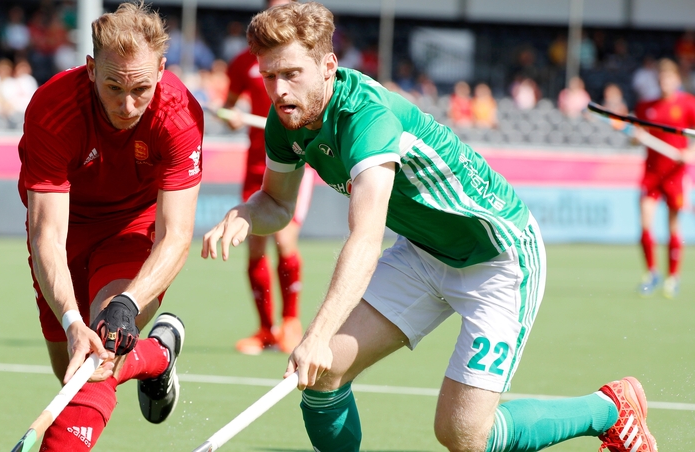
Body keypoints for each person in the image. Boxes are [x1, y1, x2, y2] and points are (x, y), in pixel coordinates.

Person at [202, 3, 658, 452]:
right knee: (323, 378)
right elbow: (278, 202)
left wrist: (318, 334)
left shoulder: (368, 116)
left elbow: (366, 236)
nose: (278, 90)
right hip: (422, 252)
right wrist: (246, 212)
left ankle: (609, 409)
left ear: (327, 66)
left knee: (462, 436)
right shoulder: (288, 120)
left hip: (498, 258)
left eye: (290, 74)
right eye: (269, 76)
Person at [18, 2, 202, 450]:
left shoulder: (179, 115)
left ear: (161, 69)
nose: (126, 104)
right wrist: (68, 317)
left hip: (133, 227)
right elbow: (47, 234)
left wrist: (127, 301)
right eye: (113, 85)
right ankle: (157, 354)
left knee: (98, 358)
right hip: (68, 228)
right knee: (70, 366)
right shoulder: (52, 109)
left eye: (140, 88)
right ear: (89, 68)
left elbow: (177, 235)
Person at [220, 0, 312, 355]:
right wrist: (232, 116)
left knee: (285, 240)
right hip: (255, 165)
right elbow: (229, 105)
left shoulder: (304, 60)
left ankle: (291, 323)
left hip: (296, 161)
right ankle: (265, 331)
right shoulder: (244, 62)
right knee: (255, 246)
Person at [633, 58, 695, 299]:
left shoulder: (688, 104)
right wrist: (635, 138)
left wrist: (689, 153)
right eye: (661, 79)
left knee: (672, 226)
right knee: (645, 222)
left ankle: (673, 277)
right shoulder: (646, 107)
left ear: (677, 80)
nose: (664, 83)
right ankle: (651, 273)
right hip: (651, 173)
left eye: (669, 79)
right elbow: (636, 135)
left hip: (675, 174)